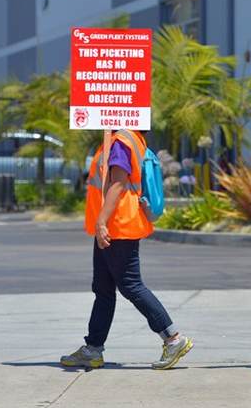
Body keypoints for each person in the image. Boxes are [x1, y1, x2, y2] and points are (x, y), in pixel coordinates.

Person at [60, 129, 193, 370]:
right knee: (103, 288)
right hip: (112, 225)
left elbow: (119, 182)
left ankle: (173, 338)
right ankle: (93, 349)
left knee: (131, 285)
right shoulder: (121, 138)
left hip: (117, 225)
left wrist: (101, 221)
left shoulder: (121, 141)